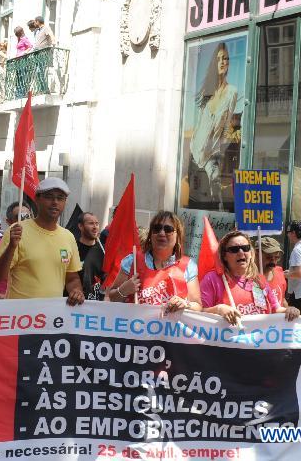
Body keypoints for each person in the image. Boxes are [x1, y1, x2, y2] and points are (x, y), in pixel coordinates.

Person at [0, 178, 84, 304]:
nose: (55, 202)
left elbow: (72, 278)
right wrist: (11, 247)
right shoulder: (17, 230)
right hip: (21, 318)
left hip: (53, 317)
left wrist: (77, 291)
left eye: (60, 198)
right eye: (49, 197)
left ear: (65, 202)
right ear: (37, 199)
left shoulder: (68, 237)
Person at [108, 211, 201, 312]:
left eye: (168, 229)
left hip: (171, 327)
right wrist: (123, 290)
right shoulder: (132, 261)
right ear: (151, 235)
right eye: (156, 229)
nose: (161, 233)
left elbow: (198, 306)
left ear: (177, 236)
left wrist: (185, 304)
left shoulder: (187, 266)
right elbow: (111, 297)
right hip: (136, 326)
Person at [200, 231, 299, 325]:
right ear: (224, 255)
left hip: (259, 339)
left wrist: (289, 310)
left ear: (251, 253)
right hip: (227, 340)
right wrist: (218, 309)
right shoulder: (212, 279)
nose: (241, 252)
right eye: (234, 249)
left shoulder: (259, 279)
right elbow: (199, 313)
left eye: (245, 248)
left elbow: (276, 308)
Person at [188, 42, 241, 210]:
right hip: (195, 153)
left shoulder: (232, 92)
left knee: (215, 194)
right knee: (196, 197)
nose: (223, 62)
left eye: (225, 58)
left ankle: (219, 217)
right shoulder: (208, 92)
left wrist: (223, 148)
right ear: (214, 63)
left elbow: (226, 125)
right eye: (219, 59)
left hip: (213, 154)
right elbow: (199, 124)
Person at [75, 212, 107, 301]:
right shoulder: (73, 248)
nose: (95, 227)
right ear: (80, 226)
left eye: (97, 224)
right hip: (75, 302)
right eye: (91, 223)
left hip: (96, 305)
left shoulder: (104, 250)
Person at [252, 236, 287, 304]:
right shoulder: (248, 276)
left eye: (276, 257)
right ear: (256, 254)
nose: (273, 261)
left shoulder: (279, 272)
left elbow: (282, 300)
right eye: (269, 257)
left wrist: (289, 310)